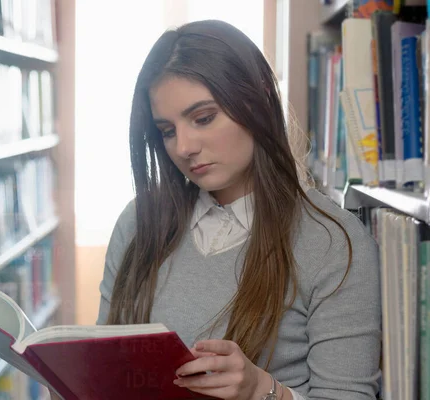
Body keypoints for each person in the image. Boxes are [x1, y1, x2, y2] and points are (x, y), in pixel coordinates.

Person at [52, 19, 382, 400]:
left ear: (256, 100)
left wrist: (263, 389)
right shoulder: (139, 223)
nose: (183, 147)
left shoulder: (332, 242)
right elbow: (108, 373)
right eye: (167, 130)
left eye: (204, 118)